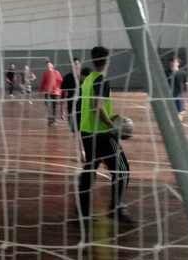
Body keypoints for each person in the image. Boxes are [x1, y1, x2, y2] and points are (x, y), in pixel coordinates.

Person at [77, 46, 134, 224]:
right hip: (101, 134)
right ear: (107, 60)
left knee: (89, 172)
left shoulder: (87, 80)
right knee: (123, 171)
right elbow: (98, 107)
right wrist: (113, 126)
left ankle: (83, 213)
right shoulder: (101, 80)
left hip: (86, 132)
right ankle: (116, 209)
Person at [40, 61, 63, 126]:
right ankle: (50, 119)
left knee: (54, 106)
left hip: (55, 92)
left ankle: (54, 120)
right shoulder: (45, 73)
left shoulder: (57, 72)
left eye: (49, 65)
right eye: (47, 65)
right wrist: (41, 90)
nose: (48, 66)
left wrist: (59, 89)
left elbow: (60, 81)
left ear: (52, 65)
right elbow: (43, 82)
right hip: (47, 92)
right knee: (48, 105)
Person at [61, 58, 81, 132]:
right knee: (73, 130)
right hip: (71, 108)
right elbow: (63, 94)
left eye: (76, 64)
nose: (75, 66)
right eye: (73, 64)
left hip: (83, 107)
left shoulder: (84, 77)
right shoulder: (67, 78)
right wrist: (62, 110)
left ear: (79, 65)